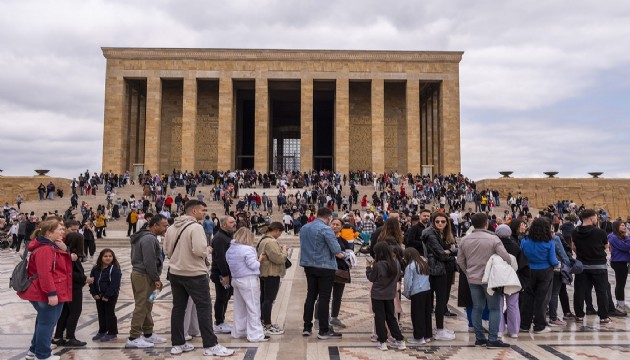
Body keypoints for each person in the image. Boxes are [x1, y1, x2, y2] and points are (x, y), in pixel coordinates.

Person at [163, 200, 234, 357]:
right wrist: (208, 249)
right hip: (194, 274)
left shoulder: (171, 227)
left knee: (178, 308)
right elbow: (199, 250)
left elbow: (166, 250)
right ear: (193, 211)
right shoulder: (195, 227)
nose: (205, 212)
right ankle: (210, 345)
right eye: (203, 210)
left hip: (176, 273)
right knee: (204, 308)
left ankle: (178, 343)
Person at [17, 217, 73, 360]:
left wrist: (65, 249)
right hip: (46, 292)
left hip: (48, 290)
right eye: (60, 229)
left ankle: (33, 351)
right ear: (49, 233)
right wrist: (51, 293)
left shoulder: (50, 245)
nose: (63, 231)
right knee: (47, 324)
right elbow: (44, 273)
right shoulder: (45, 249)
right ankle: (43, 355)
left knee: (43, 321)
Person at [457, 212, 512, 348]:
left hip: (473, 279)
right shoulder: (493, 239)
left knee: (477, 307)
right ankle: (492, 339)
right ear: (487, 223)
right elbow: (506, 257)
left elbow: (460, 260)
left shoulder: (465, 240)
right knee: (494, 308)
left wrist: (468, 272)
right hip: (490, 280)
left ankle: (479, 338)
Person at [300, 207, 344, 339]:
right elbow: (336, 249)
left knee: (311, 296)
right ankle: (323, 330)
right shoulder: (326, 229)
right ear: (329, 217)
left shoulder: (304, 228)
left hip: (308, 265)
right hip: (325, 266)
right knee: (324, 298)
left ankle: (307, 326)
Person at [126, 214, 168, 349]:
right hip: (144, 276)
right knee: (142, 305)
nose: (166, 227)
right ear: (155, 226)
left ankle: (148, 333)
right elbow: (149, 261)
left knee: (148, 303)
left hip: (144, 275)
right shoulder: (149, 239)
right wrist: (156, 278)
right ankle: (133, 337)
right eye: (164, 225)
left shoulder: (146, 237)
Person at [226, 228, 268, 342]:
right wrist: (259, 259)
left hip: (236, 279)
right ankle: (256, 335)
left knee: (240, 307)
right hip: (248, 279)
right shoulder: (248, 249)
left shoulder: (230, 249)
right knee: (253, 307)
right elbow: (253, 265)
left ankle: (239, 331)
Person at [572, 209, 613, 323]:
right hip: (598, 265)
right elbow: (606, 246)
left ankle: (579, 315)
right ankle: (603, 316)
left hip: (582, 266)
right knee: (601, 291)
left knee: (579, 291)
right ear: (592, 218)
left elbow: (573, 247)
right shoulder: (600, 232)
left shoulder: (575, 232)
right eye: (595, 217)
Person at [519, 217, 559, 333]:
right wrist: (558, 264)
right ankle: (539, 325)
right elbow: (552, 260)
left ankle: (524, 324)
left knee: (527, 298)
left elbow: (522, 256)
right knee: (542, 299)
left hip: (529, 271)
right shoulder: (549, 243)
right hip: (545, 271)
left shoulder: (524, 241)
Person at [52, 224, 89, 347]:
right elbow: (70, 273)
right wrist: (84, 278)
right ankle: (70, 337)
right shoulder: (71, 255)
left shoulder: (65, 252)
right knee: (75, 311)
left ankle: (58, 336)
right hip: (73, 287)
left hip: (68, 286)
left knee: (66, 312)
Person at [422, 212, 457, 340]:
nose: (440, 224)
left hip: (444, 269)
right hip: (436, 270)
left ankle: (440, 327)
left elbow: (452, 249)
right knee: (440, 300)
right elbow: (441, 254)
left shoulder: (444, 234)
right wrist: (452, 251)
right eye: (437, 221)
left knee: (443, 300)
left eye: (443, 221)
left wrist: (450, 251)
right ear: (433, 222)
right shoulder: (431, 235)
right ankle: (439, 330)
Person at [366, 241, 406, 351]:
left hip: (378, 295)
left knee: (379, 318)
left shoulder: (378, 265)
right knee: (391, 318)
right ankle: (400, 340)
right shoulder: (396, 262)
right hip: (390, 294)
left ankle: (382, 342)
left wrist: (368, 267)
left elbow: (371, 278)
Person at [257, 222, 288, 335]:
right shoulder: (270, 241)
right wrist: (284, 250)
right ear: (276, 230)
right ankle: (267, 324)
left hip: (264, 272)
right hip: (271, 273)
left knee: (264, 298)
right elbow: (279, 259)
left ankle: (262, 321)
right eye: (280, 233)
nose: (279, 235)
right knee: (268, 299)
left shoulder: (263, 239)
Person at [494, 224, 523, 338]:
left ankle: (499, 330)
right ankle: (514, 331)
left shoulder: (495, 245)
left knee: (498, 305)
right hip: (512, 278)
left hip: (498, 278)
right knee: (513, 305)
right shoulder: (516, 246)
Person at [210, 216, 237, 334]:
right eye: (231, 222)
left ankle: (222, 320)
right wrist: (225, 275)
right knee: (221, 297)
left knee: (226, 297)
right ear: (223, 225)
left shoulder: (226, 236)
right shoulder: (220, 238)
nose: (234, 224)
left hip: (227, 273)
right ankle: (219, 322)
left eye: (234, 222)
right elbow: (220, 258)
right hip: (221, 274)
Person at [89, 248, 122, 342]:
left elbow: (114, 284)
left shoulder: (115, 269)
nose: (108, 258)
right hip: (98, 295)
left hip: (110, 296)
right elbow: (91, 282)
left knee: (109, 313)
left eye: (110, 256)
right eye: (105, 256)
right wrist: (94, 293)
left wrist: (107, 296)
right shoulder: (95, 268)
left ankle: (112, 333)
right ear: (101, 257)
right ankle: (102, 330)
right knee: (101, 313)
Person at [402, 247, 432, 345]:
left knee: (417, 315)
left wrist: (406, 293)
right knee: (426, 314)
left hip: (417, 293)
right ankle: (427, 335)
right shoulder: (423, 263)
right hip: (427, 291)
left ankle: (419, 338)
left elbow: (407, 282)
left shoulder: (410, 266)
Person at [330, 218, 352, 329]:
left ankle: (334, 317)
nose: (335, 226)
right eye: (333, 224)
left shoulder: (344, 241)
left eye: (337, 224)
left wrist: (346, 256)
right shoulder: (326, 239)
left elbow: (350, 254)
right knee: (323, 296)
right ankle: (319, 319)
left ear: (341, 227)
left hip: (340, 271)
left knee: (337, 296)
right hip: (328, 270)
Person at [607, 221, 630, 312]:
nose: (624, 227)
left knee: (621, 283)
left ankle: (620, 303)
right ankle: (620, 304)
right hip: (618, 262)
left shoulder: (620, 236)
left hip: (622, 261)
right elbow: (626, 247)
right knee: (620, 284)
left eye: (624, 225)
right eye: (622, 225)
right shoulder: (613, 237)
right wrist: (627, 237)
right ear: (616, 227)